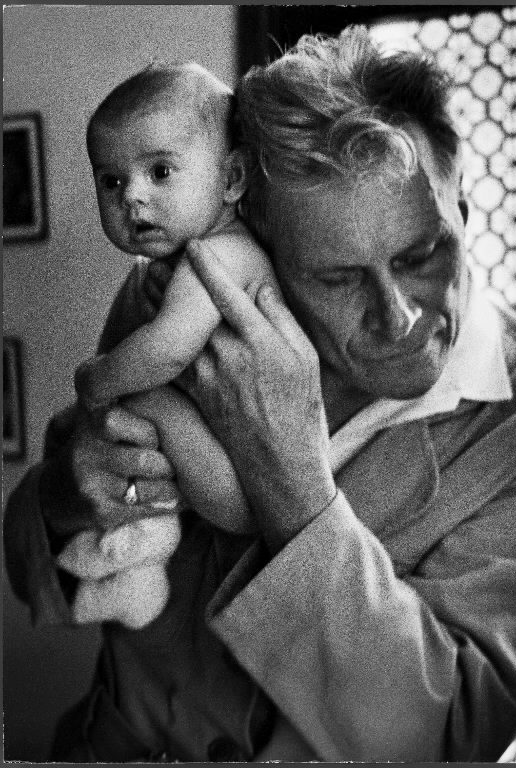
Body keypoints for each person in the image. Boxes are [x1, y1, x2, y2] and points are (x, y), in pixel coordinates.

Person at [4, 25, 516, 763]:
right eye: (336, 278)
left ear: (465, 213)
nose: (398, 316)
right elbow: (31, 554)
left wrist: (291, 487)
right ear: (268, 250)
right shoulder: (187, 294)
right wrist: (71, 492)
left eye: (421, 255)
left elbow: (445, 735)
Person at [58, 61, 280, 628]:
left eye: (159, 171)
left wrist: (98, 377)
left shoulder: (222, 254)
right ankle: (135, 564)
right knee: (128, 432)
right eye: (111, 181)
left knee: (143, 400)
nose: (131, 195)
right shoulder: (155, 274)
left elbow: (168, 348)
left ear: (231, 179)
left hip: (238, 489)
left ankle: (135, 568)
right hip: (219, 473)